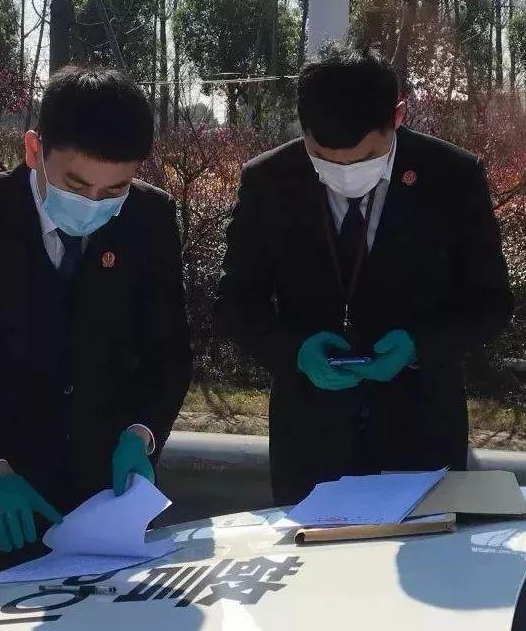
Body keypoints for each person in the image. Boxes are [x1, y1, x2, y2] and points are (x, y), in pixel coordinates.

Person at [0, 66, 193, 576]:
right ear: (34, 149)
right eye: (76, 184)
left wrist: (142, 433)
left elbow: (168, 348)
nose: (93, 203)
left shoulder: (149, 218)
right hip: (11, 489)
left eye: (115, 189)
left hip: (113, 490)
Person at [215, 44, 513, 506]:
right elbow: (235, 302)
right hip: (310, 440)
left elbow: (491, 302)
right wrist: (294, 352)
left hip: (421, 433)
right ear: (303, 129)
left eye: (364, 157)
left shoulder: (452, 177)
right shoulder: (269, 180)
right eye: (324, 157)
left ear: (398, 116)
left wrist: (419, 345)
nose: (344, 172)